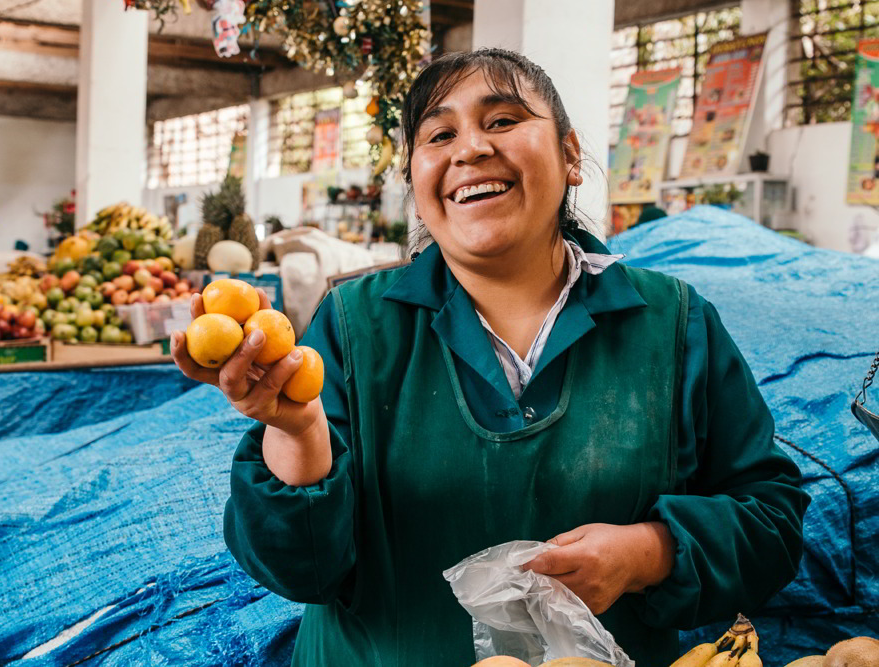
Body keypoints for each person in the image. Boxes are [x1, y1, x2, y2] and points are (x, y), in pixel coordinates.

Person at [171, 49, 809, 666]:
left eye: (502, 121)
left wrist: (649, 553)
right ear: (415, 181)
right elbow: (300, 567)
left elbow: (771, 521)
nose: (470, 149)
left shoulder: (673, 323)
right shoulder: (354, 325)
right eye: (438, 134)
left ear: (570, 155)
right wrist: (298, 429)